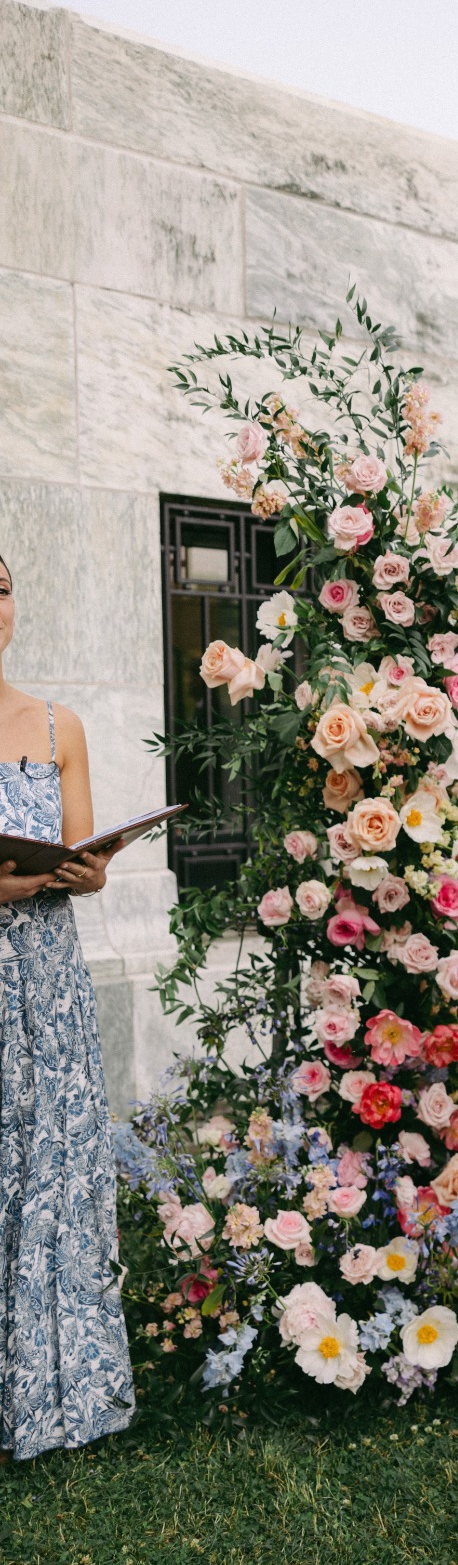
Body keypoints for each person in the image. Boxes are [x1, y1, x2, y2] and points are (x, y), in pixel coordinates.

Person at [0, 550, 134, 1461]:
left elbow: (79, 862)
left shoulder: (57, 725)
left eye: (0, 588)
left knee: (51, 1163)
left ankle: (57, 1397)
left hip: (46, 980)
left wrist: (86, 869)